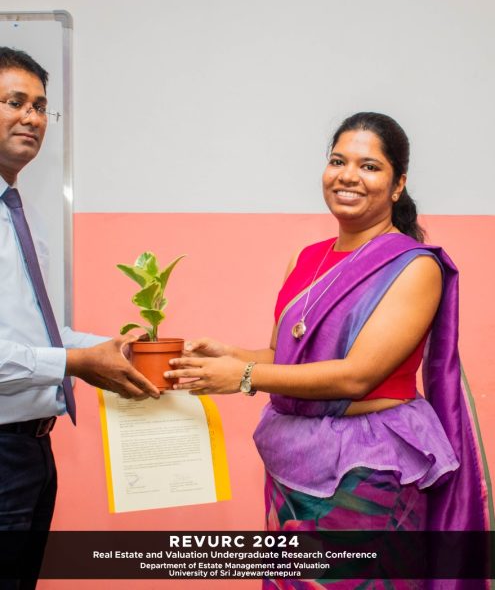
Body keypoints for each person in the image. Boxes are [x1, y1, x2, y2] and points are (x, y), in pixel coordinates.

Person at [165, 112, 492, 586]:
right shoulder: (306, 258)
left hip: (369, 464)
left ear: (397, 185)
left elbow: (357, 375)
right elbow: (285, 356)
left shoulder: (413, 266)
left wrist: (244, 377)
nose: (348, 176)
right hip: (294, 456)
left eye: (369, 166)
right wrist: (230, 355)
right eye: (338, 161)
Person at [0, 47, 159, 588]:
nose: (32, 117)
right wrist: (78, 362)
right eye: (15, 102)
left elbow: (43, 335)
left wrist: (123, 351)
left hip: (32, 451)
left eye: (41, 106)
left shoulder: (23, 215)